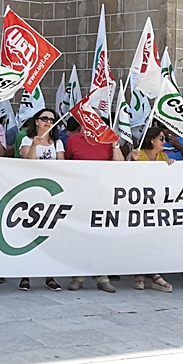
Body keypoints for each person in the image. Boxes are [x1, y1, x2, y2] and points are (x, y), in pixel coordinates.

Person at [63, 117, 122, 293]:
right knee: (80, 235)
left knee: (102, 236)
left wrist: (114, 144)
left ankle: (102, 276)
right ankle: (78, 276)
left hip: (102, 196)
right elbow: (64, 164)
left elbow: (119, 164)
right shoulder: (73, 140)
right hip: (79, 196)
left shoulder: (108, 142)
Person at [17, 108, 65, 291]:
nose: (48, 122)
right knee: (29, 233)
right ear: (36, 121)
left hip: (51, 193)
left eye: (52, 119)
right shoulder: (27, 140)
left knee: (50, 234)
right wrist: (35, 146)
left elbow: (61, 164)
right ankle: (25, 275)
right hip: (32, 192)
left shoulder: (57, 143)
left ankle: (49, 275)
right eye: (44, 118)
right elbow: (27, 162)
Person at [125, 124, 174, 293]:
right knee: (140, 237)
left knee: (155, 238)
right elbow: (125, 175)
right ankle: (140, 273)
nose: (164, 141)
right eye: (161, 138)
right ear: (151, 140)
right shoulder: (138, 155)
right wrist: (130, 159)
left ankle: (154, 273)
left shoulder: (163, 156)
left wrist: (171, 165)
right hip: (138, 204)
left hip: (157, 204)